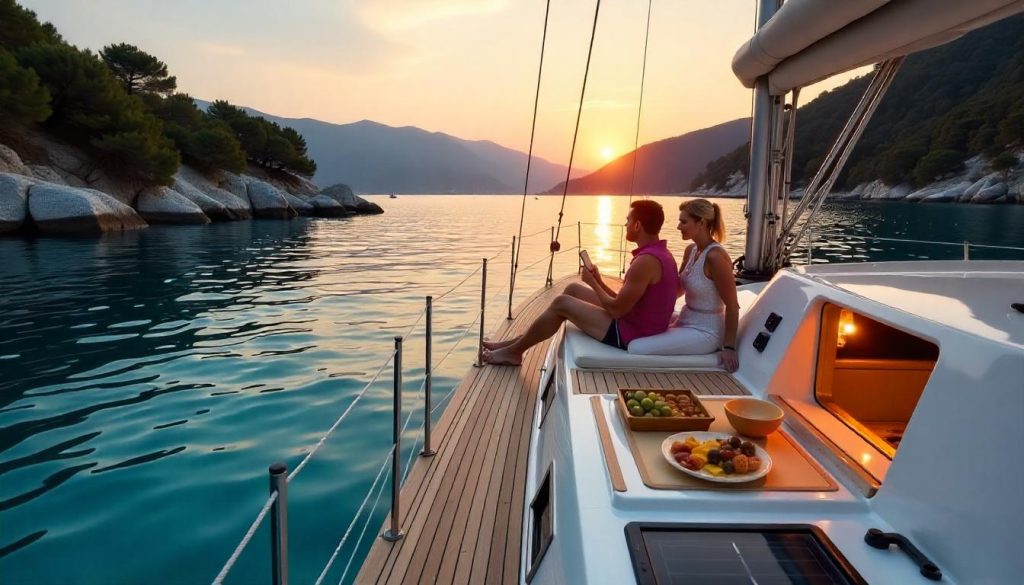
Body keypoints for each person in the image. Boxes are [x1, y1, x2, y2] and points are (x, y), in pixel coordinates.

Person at [482, 200, 677, 366]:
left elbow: (617, 311)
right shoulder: (660, 254)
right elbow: (623, 301)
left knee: (562, 303)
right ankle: (518, 342)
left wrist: (593, 284)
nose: (625, 224)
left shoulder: (645, 262)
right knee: (573, 289)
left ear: (637, 226)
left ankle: (514, 352)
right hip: (637, 321)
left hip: (632, 333)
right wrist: (599, 281)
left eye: (628, 220)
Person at [628, 198, 740, 372]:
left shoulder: (716, 257)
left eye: (683, 221)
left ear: (701, 223)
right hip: (686, 318)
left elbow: (733, 307)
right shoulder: (691, 251)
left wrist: (729, 348)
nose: (678, 226)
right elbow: (677, 290)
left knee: (636, 347)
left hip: (706, 331)